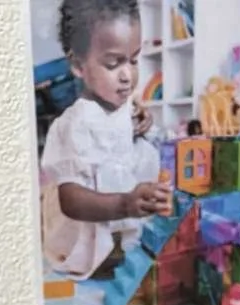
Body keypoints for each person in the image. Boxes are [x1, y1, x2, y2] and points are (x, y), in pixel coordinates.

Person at [40, 0, 171, 282]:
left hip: (124, 235)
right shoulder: (73, 125)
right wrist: (124, 204)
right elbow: (71, 200)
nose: (128, 76)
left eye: (134, 60)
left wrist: (140, 126)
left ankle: (124, 245)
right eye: (114, 64)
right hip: (84, 245)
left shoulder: (124, 106)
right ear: (78, 65)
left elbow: (119, 142)